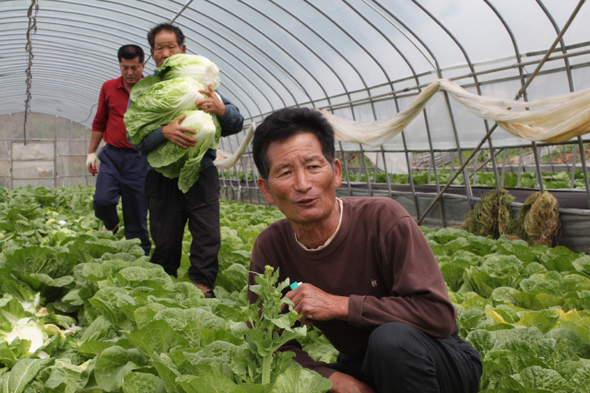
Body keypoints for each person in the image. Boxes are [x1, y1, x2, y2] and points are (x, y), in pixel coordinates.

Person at [247, 107, 482, 393]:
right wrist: (330, 378)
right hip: (361, 363)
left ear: (335, 172)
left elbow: (438, 316)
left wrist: (338, 305)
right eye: (285, 172)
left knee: (391, 341)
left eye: (313, 166)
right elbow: (268, 338)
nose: (303, 184)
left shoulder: (384, 219)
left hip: (437, 357)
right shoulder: (271, 247)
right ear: (266, 189)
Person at [130, 23, 244, 298]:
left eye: (171, 46)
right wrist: (163, 132)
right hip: (162, 177)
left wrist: (221, 109)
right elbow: (137, 138)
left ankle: (203, 287)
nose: (166, 52)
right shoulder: (147, 90)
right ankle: (163, 287)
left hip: (201, 172)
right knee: (165, 239)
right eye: (160, 48)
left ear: (183, 50)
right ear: (152, 54)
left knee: (208, 236)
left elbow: (236, 121)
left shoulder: (198, 83)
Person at [87, 44, 151, 256]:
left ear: (143, 64)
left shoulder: (153, 89)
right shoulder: (109, 87)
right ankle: (112, 224)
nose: (130, 73)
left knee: (137, 216)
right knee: (102, 200)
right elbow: (99, 121)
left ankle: (139, 259)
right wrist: (91, 152)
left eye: (134, 67)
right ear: (120, 65)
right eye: (125, 68)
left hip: (139, 159)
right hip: (112, 155)